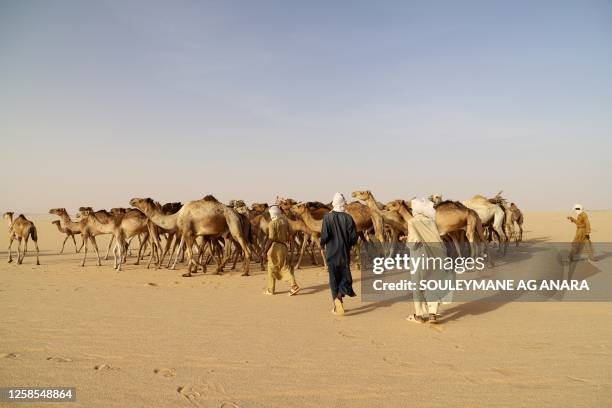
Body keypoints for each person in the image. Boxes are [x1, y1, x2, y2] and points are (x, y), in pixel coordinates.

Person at [406, 198, 452, 324]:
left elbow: (413, 243)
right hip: (436, 256)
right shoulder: (431, 222)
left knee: (417, 285)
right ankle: (432, 314)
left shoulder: (412, 222)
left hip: (419, 257)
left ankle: (419, 316)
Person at [320, 192, 358, 315]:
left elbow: (324, 236)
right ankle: (339, 296)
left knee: (334, 278)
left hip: (331, 252)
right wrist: (349, 244)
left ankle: (337, 303)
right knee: (346, 277)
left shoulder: (327, 217)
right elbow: (353, 237)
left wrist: (322, 243)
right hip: (344, 252)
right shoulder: (348, 218)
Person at [263, 205, 300, 296]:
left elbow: (271, 238)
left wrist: (264, 251)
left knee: (283, 267)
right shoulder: (285, 221)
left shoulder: (272, 224)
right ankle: (270, 289)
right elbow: (291, 234)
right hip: (283, 247)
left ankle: (294, 285)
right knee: (271, 267)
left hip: (275, 247)